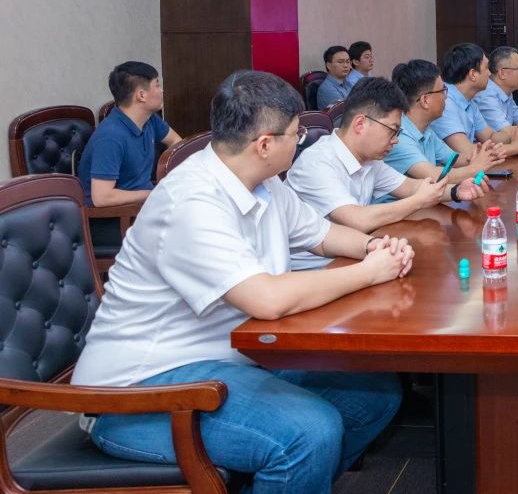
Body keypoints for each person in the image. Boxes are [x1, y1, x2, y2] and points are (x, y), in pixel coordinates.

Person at [71, 70, 410, 489]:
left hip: (227, 359)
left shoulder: (263, 181)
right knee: (309, 432)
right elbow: (266, 299)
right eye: (297, 133)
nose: (302, 140)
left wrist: (376, 247)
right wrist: (369, 272)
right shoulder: (191, 200)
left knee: (373, 395)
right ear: (264, 144)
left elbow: (321, 235)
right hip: (139, 389)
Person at [288, 78, 484, 269]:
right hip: (314, 270)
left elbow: (411, 187)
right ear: (360, 124)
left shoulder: (369, 160)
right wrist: (418, 201)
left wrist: (456, 191)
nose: (396, 140)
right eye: (392, 130)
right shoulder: (318, 163)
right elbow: (357, 220)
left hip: (355, 255)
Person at [78, 61, 181, 207]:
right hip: (118, 215)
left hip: (144, 205)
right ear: (141, 95)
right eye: (157, 85)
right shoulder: (110, 137)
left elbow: (176, 143)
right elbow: (102, 198)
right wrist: (155, 194)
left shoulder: (150, 119)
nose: (161, 91)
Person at [385, 58, 503, 185]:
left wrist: (481, 154)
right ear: (425, 100)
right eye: (442, 91)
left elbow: (453, 159)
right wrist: (475, 168)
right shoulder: (399, 136)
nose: (446, 96)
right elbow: (434, 175)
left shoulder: (426, 130)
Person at [431, 43, 518, 162]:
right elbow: (468, 153)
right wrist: (516, 147)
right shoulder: (445, 102)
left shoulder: (469, 101)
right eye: (486, 68)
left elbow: (491, 137)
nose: (490, 73)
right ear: (473, 74)